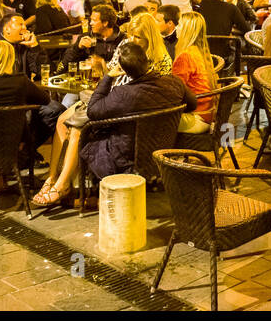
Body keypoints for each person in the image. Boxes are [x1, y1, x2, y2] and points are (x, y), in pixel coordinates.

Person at [33, 41, 194, 208]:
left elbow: (93, 111)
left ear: (124, 71)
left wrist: (109, 76)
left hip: (126, 157)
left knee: (78, 131)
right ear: (147, 60)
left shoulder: (124, 93)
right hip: (163, 147)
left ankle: (64, 186)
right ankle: (62, 184)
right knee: (77, 128)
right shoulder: (174, 82)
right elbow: (191, 104)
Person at [172, 11, 215, 132]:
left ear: (187, 30)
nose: (176, 28)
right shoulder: (200, 52)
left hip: (196, 117)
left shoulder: (185, 56)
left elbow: (176, 93)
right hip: (208, 114)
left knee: (151, 120)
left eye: (179, 25)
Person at [62, 5, 123, 70]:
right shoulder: (86, 37)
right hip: (87, 78)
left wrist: (101, 63)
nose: (90, 23)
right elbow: (65, 65)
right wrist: (77, 48)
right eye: (90, 20)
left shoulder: (122, 39)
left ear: (105, 23)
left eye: (94, 20)